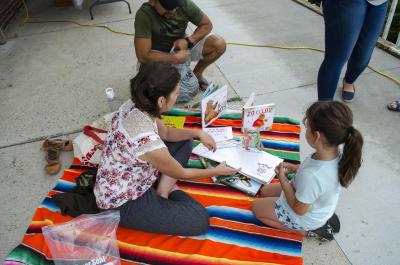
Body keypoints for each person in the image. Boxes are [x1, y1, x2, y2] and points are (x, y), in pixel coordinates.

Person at [94, 62, 238, 236]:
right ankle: (164, 195)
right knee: (199, 219)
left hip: (133, 174)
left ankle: (162, 192)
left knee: (185, 139)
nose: (178, 96)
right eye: (176, 92)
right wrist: (217, 171)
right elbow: (181, 173)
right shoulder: (147, 141)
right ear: (161, 100)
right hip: (123, 203)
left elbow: (168, 133)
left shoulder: (135, 105)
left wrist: (198, 133)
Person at [252, 101, 364, 241]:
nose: (305, 128)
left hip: (303, 214)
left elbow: (298, 209)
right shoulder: (334, 154)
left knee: (256, 208)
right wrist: (294, 168)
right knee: (264, 191)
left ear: (316, 136)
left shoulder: (312, 176)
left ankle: (308, 231)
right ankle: (320, 219)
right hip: (312, 201)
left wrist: (283, 180)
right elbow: (314, 170)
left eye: (307, 125)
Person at [133, 0, 226, 102]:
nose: (173, 12)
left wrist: (189, 41)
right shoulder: (144, 14)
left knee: (218, 44)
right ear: (154, 1)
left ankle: (197, 74)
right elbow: (143, 55)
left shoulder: (185, 4)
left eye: (176, 7)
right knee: (153, 93)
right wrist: (174, 58)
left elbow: (207, 25)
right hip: (158, 57)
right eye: (168, 8)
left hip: (182, 49)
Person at [317, 0, 389, 102]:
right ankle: (323, 112)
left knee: (363, 57)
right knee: (337, 57)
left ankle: (349, 81)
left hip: (379, 2)